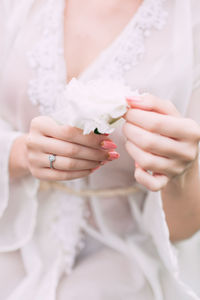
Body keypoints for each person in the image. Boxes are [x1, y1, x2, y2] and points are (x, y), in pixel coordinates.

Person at [0, 0, 200, 299]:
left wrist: (179, 172)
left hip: (130, 259)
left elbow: (181, 229)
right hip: (12, 230)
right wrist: (19, 153)